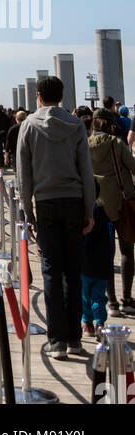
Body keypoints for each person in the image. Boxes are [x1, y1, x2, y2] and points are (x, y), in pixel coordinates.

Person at [16, 75, 95, 359]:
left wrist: (27, 210)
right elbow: (86, 171)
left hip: (46, 203)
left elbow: (23, 175)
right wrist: (89, 211)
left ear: (38, 95)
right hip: (74, 202)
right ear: (61, 96)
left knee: (50, 269)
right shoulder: (75, 126)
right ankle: (75, 338)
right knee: (73, 271)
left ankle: (56, 339)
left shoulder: (28, 125)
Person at [88, 109, 135, 317]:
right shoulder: (116, 144)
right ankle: (127, 298)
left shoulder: (84, 145)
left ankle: (112, 302)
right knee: (127, 252)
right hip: (121, 202)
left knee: (105, 254)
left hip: (98, 205)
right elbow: (133, 167)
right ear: (109, 124)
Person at [81, 180, 115, 336]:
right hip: (103, 265)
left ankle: (87, 323)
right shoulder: (104, 213)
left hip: (85, 264)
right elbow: (110, 240)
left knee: (85, 295)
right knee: (99, 296)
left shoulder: (83, 214)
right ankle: (100, 323)